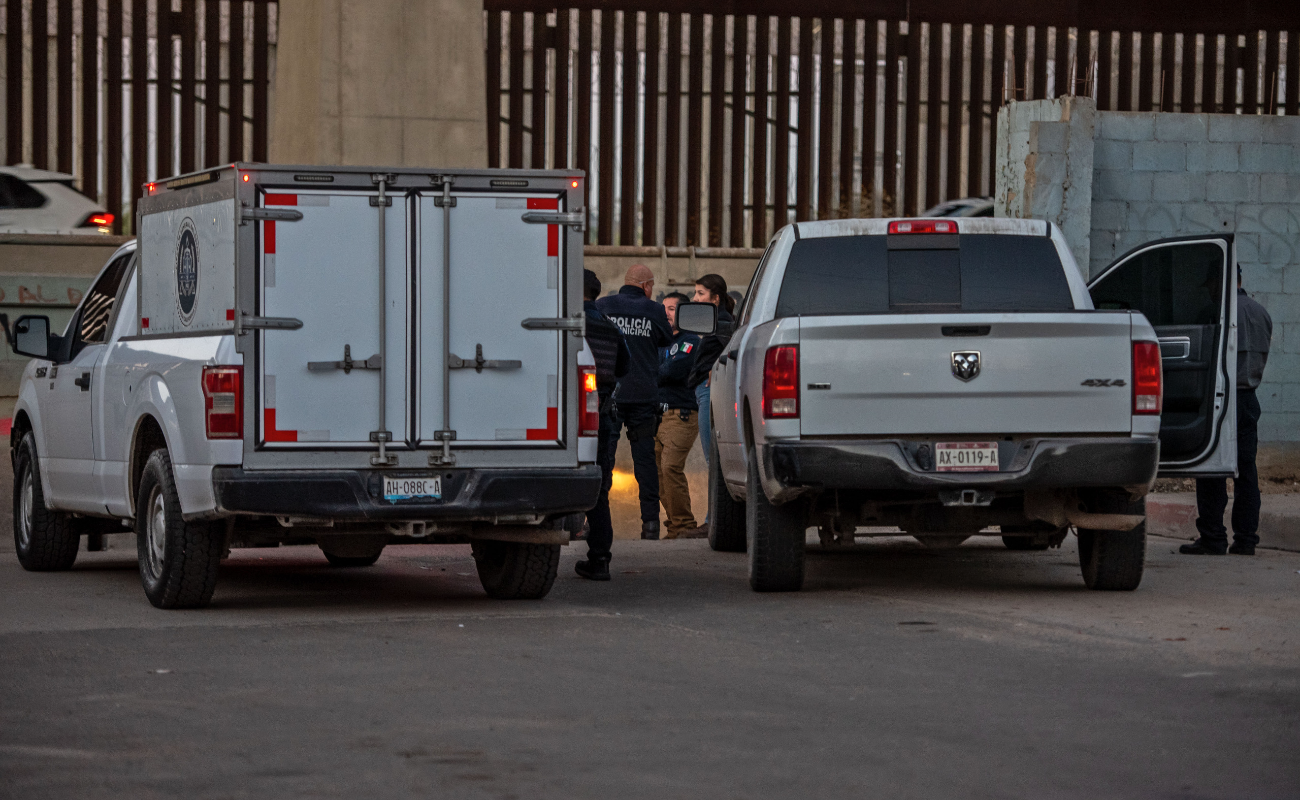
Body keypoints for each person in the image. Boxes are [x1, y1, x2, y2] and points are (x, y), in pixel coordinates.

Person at [1181, 267, 1273, 556]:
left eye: (1210, 284)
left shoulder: (1213, 313)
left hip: (1218, 398)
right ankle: (1245, 540)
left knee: (1211, 469)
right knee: (1246, 472)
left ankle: (1213, 538)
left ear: (1220, 283)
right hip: (1248, 400)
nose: (1209, 290)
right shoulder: (1261, 313)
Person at [595, 264, 674, 541]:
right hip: (643, 398)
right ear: (646, 286)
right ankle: (650, 524)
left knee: (603, 458)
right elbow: (666, 338)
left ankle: (593, 523)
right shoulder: (653, 310)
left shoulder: (604, 305)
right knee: (645, 463)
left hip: (611, 397)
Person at [575, 270, 629, 581]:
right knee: (599, 491)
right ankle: (600, 560)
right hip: (603, 417)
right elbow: (625, 367)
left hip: (567, 417)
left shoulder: (566, 323)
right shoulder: (610, 328)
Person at [655, 292, 703, 539]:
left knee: (671, 467)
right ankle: (675, 526)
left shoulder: (691, 340)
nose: (666, 313)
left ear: (684, 314)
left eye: (672, 309)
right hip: (658, 416)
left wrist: (650, 369)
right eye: (663, 308)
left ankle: (685, 525)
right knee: (659, 474)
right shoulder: (660, 342)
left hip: (682, 415)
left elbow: (672, 371)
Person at [686, 274, 737, 468]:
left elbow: (734, 349)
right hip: (704, 392)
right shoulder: (714, 321)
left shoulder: (722, 322)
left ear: (715, 299)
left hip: (709, 391)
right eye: (695, 293)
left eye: (700, 293)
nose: (695, 299)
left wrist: (717, 364)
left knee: (713, 461)